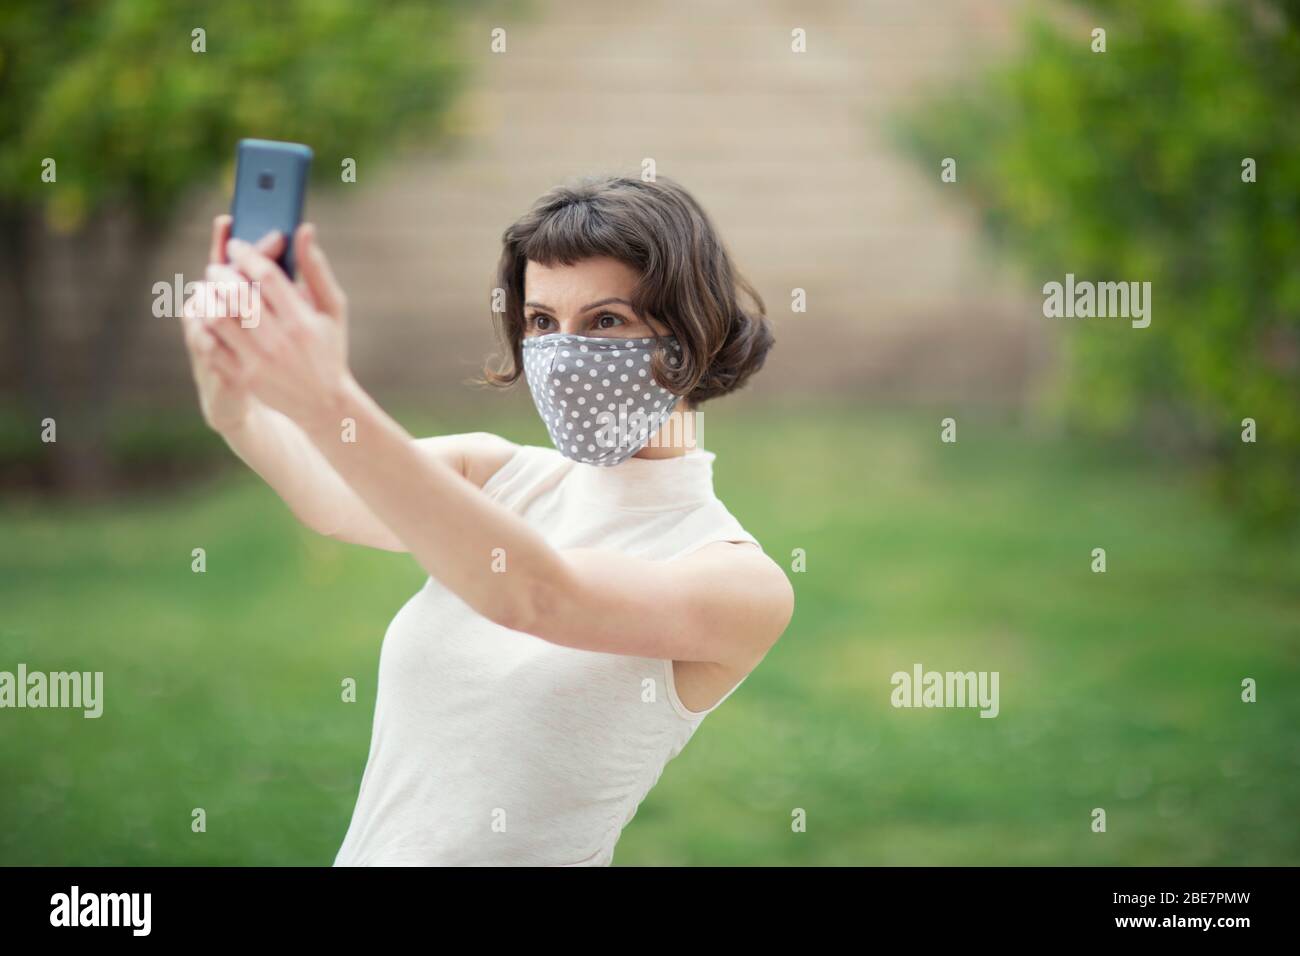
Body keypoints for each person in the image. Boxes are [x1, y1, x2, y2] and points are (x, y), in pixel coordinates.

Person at [179, 174, 795, 865]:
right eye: (541, 322)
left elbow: (534, 595)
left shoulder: (737, 580)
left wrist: (330, 396)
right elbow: (329, 496)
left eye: (606, 320)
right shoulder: (498, 474)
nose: (563, 354)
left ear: (691, 332)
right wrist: (233, 402)